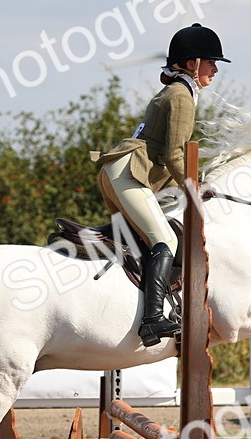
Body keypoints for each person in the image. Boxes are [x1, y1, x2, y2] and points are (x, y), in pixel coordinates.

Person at [92, 23, 230, 346]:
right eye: (210, 61)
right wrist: (194, 187)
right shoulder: (182, 96)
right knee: (165, 237)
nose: (215, 69)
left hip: (121, 171)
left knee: (151, 235)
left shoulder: (177, 92)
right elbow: (173, 155)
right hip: (129, 174)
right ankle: (152, 319)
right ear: (192, 63)